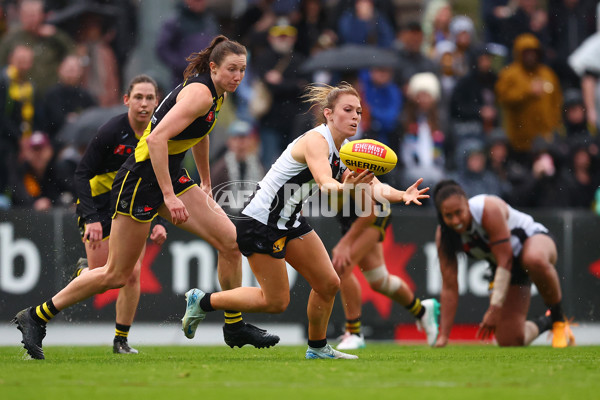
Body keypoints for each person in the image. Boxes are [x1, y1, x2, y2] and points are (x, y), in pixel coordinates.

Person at [13, 35, 278, 360]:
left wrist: (206, 182)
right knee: (116, 275)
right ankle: (36, 316)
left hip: (169, 172)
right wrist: (170, 195)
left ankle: (234, 324)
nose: (238, 76)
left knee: (231, 242)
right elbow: (155, 142)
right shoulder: (199, 93)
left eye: (242, 70)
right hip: (140, 178)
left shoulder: (217, 94)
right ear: (213, 67)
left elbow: (201, 134)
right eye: (232, 69)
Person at [181, 82, 430, 359]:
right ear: (328, 114)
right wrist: (347, 187)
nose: (355, 116)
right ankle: (201, 301)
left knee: (328, 283)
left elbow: (372, 186)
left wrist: (402, 194)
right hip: (261, 222)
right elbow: (325, 182)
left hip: (289, 222)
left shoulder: (346, 149)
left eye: (358, 111)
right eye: (347, 110)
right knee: (275, 302)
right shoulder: (316, 141)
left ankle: (318, 348)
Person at [71, 74, 166, 354]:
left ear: (157, 102)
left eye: (150, 98)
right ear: (126, 100)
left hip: (130, 208)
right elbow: (81, 173)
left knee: (131, 274)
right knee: (103, 280)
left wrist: (159, 221)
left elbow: (159, 180)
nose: (144, 104)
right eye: (138, 97)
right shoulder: (111, 132)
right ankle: (85, 270)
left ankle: (120, 340)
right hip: (99, 208)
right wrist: (91, 218)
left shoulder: (160, 134)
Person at [432, 179, 575, 348]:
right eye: (449, 216)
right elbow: (449, 287)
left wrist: (494, 309)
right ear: (441, 215)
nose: (456, 220)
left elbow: (505, 259)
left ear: (467, 205)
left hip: (533, 241)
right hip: (506, 265)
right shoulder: (444, 236)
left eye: (459, 212)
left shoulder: (488, 209)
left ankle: (559, 319)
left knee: (533, 259)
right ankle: (548, 321)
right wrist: (444, 337)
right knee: (510, 341)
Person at [331, 199, 440, 350]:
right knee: (379, 281)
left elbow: (371, 207)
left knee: (342, 266)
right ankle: (421, 310)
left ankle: (354, 333)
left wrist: (345, 243)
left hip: (371, 215)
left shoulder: (344, 175)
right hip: (353, 217)